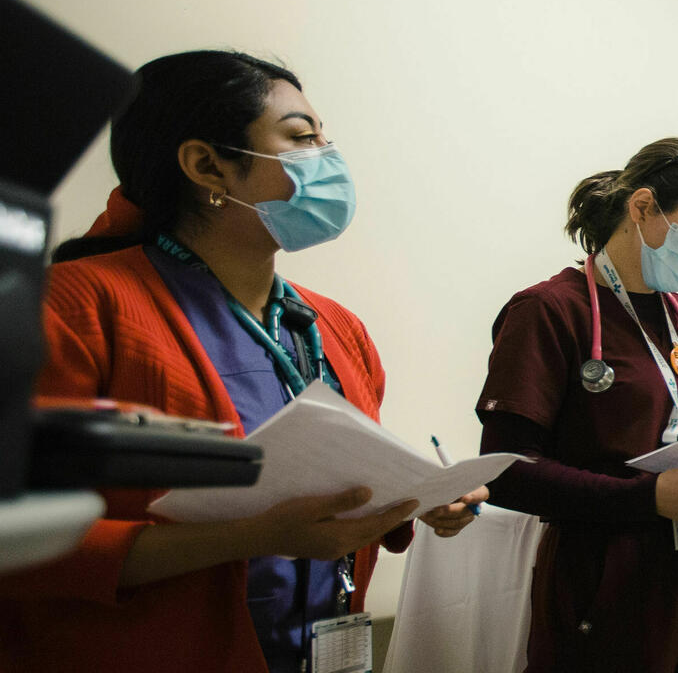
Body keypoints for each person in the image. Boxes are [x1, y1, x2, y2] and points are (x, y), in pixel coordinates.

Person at [0, 50, 482, 673]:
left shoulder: (336, 326)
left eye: (326, 139)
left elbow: (343, 484)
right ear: (207, 166)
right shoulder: (76, 304)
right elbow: (23, 542)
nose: (329, 160)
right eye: (303, 138)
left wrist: (420, 498)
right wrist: (253, 538)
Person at [474, 138, 678, 673]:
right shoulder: (549, 310)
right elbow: (506, 472)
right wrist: (649, 499)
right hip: (605, 571)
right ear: (642, 208)